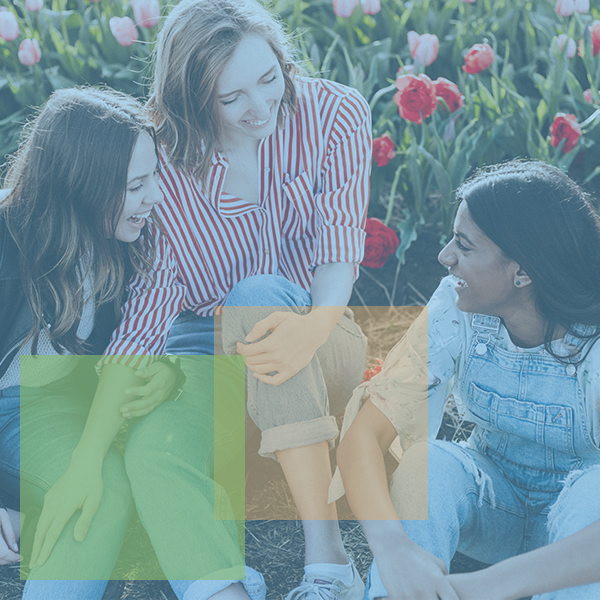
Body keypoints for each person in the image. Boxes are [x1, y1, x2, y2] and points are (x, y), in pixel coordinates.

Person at [134, 0, 372, 597]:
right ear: (191, 98)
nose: (261, 108)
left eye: (270, 79)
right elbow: (156, 294)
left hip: (320, 340)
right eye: (230, 97)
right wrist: (144, 375)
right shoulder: (161, 157)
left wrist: (312, 326)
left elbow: (338, 253)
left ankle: (330, 564)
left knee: (257, 297)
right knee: (149, 445)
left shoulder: (335, 112)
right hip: (212, 351)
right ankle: (222, 589)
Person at [336, 160, 600, 600]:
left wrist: (483, 587)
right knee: (428, 464)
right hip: (495, 504)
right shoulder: (454, 309)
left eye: (464, 245)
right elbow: (363, 438)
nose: (445, 256)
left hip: (581, 536)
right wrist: (393, 548)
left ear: (523, 271)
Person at [0, 86, 192, 599]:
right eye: (134, 185)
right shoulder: (6, 241)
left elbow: (141, 337)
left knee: (101, 491)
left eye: (153, 177)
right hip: (13, 410)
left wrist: (168, 372)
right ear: (79, 188)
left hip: (66, 410)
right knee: (99, 493)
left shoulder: (134, 239)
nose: (154, 196)